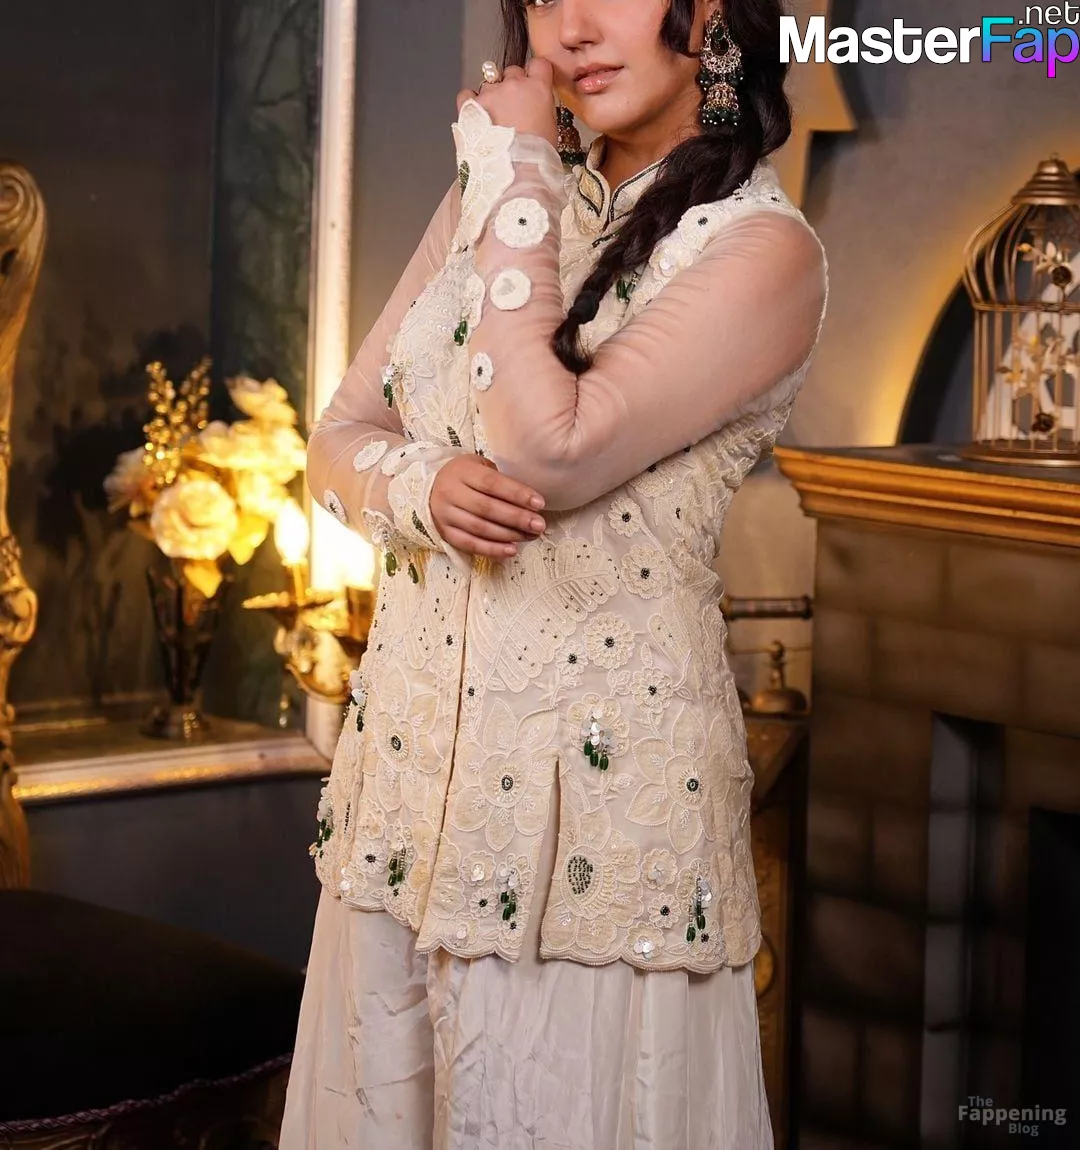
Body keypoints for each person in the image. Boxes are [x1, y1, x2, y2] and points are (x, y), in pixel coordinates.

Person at [279, 0, 828, 1146]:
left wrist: (517, 169)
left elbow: (548, 447)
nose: (570, 26)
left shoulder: (761, 251)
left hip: (593, 850)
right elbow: (334, 440)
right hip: (404, 813)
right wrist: (422, 488)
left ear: (712, 10)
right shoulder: (492, 193)